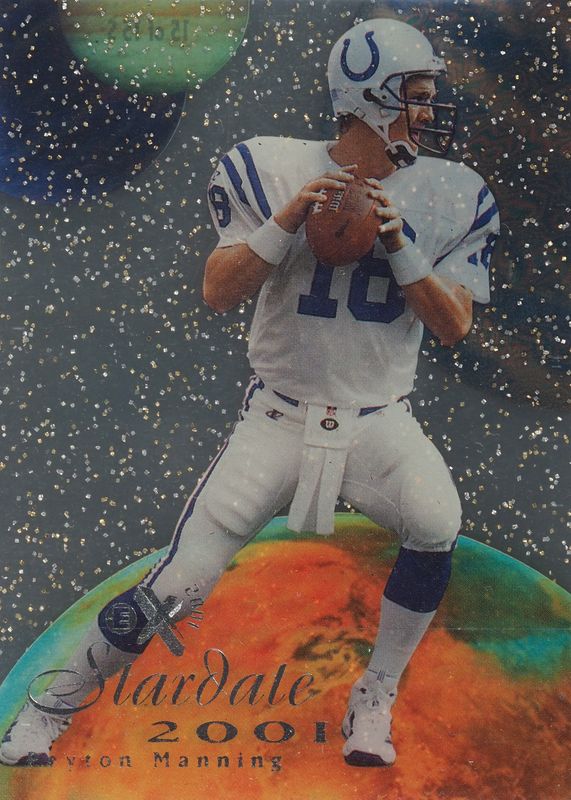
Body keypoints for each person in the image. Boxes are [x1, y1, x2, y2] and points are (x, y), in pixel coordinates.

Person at [0, 18, 499, 768]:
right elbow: (218, 290)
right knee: (179, 587)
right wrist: (286, 218)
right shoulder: (268, 166)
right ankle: (45, 712)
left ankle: (373, 699)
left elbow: (453, 326)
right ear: (368, 97)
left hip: (377, 422)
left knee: (435, 522)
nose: (428, 112)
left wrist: (402, 247)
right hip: (278, 418)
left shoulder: (454, 193)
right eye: (416, 95)